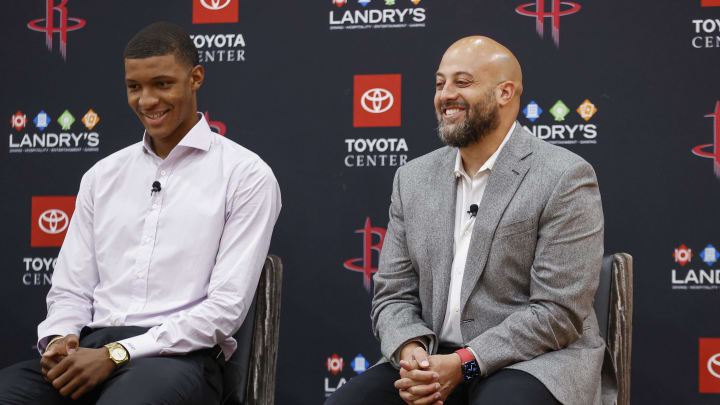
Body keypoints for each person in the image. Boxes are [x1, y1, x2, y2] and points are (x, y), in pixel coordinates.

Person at [0, 21, 281, 405]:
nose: (147, 100)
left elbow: (223, 311)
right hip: (90, 350)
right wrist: (60, 338)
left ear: (195, 78)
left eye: (162, 84)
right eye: (135, 87)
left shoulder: (245, 175)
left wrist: (119, 354)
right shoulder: (102, 176)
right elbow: (71, 289)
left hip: (179, 359)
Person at [325, 36, 613, 405]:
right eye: (440, 83)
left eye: (463, 82)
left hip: (534, 363)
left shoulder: (564, 176)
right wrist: (410, 349)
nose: (445, 95)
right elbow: (392, 293)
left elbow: (558, 313)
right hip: (433, 359)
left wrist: (465, 363)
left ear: (505, 93)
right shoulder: (412, 178)